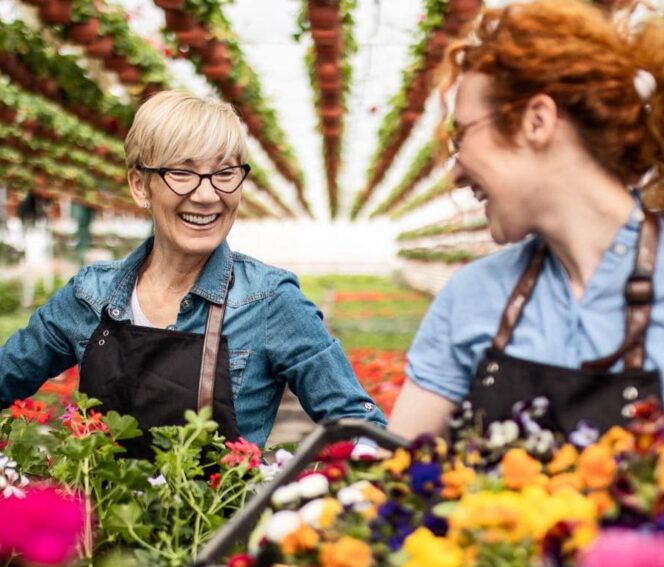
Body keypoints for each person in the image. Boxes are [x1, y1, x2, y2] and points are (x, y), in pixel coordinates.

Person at [389, 0, 664, 441]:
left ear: (537, 121)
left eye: (462, 136)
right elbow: (389, 474)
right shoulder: (471, 299)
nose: (456, 172)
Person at [0, 90, 386, 453]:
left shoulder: (269, 299)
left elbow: (361, 430)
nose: (207, 194)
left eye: (224, 173)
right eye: (182, 173)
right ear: (140, 185)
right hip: (101, 523)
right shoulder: (90, 294)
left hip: (223, 525)